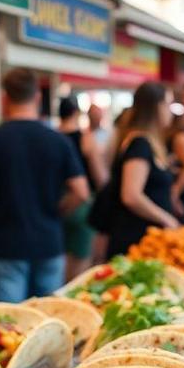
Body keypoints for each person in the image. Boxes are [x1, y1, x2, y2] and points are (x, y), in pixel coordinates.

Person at [0, 68, 89, 302]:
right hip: (49, 241)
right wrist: (59, 209)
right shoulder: (58, 141)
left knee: (10, 325)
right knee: (48, 320)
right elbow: (82, 193)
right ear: (37, 98)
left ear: (5, 99)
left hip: (6, 245)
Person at [105, 82, 180, 257]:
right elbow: (131, 195)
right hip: (137, 240)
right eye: (168, 104)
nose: (171, 111)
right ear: (157, 107)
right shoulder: (139, 144)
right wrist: (166, 219)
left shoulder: (146, 141)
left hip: (146, 238)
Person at [58, 96, 108, 280]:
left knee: (61, 264)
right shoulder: (85, 139)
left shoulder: (52, 138)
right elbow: (100, 177)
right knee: (80, 269)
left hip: (57, 205)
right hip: (82, 204)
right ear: (77, 113)